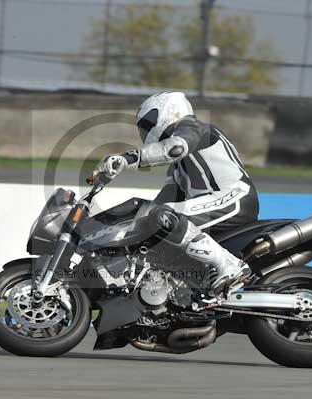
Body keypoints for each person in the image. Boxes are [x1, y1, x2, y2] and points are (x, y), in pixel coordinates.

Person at [95, 91, 259, 297]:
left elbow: (175, 148)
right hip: (215, 204)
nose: (146, 131)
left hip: (234, 199)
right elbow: (161, 202)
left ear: (168, 111)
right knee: (156, 218)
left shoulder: (193, 128)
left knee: (162, 216)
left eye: (148, 123)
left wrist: (129, 158)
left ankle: (230, 265)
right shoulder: (179, 168)